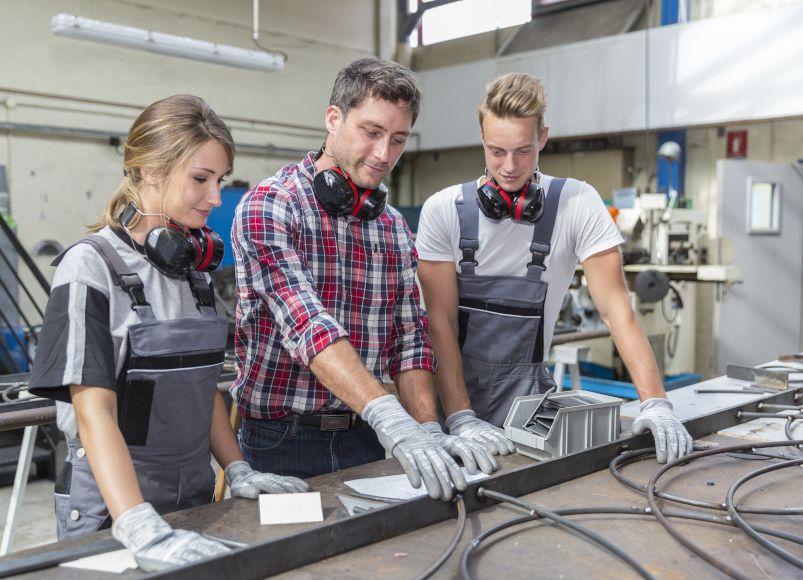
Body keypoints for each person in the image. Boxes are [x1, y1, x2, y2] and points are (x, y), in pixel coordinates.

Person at [28, 95, 308, 572]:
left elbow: (203, 391)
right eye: (201, 179)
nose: (216, 198)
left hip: (195, 500)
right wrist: (138, 524)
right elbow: (93, 413)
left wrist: (236, 467)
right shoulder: (90, 267)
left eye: (220, 181)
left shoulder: (191, 273)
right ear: (152, 170)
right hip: (114, 509)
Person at [231, 58, 496, 502]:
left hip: (370, 437)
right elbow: (308, 326)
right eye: (371, 133)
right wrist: (395, 422)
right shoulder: (271, 207)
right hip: (282, 443)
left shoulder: (391, 225)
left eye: (398, 139)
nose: (383, 155)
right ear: (334, 119)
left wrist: (428, 429)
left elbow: (409, 338)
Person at [415, 73, 693, 464]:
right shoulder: (444, 210)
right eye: (496, 152)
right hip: (449, 406)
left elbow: (617, 309)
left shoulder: (577, 203)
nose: (509, 167)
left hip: (530, 413)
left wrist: (656, 402)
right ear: (481, 137)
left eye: (523, 151)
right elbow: (439, 321)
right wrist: (461, 418)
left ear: (543, 137)